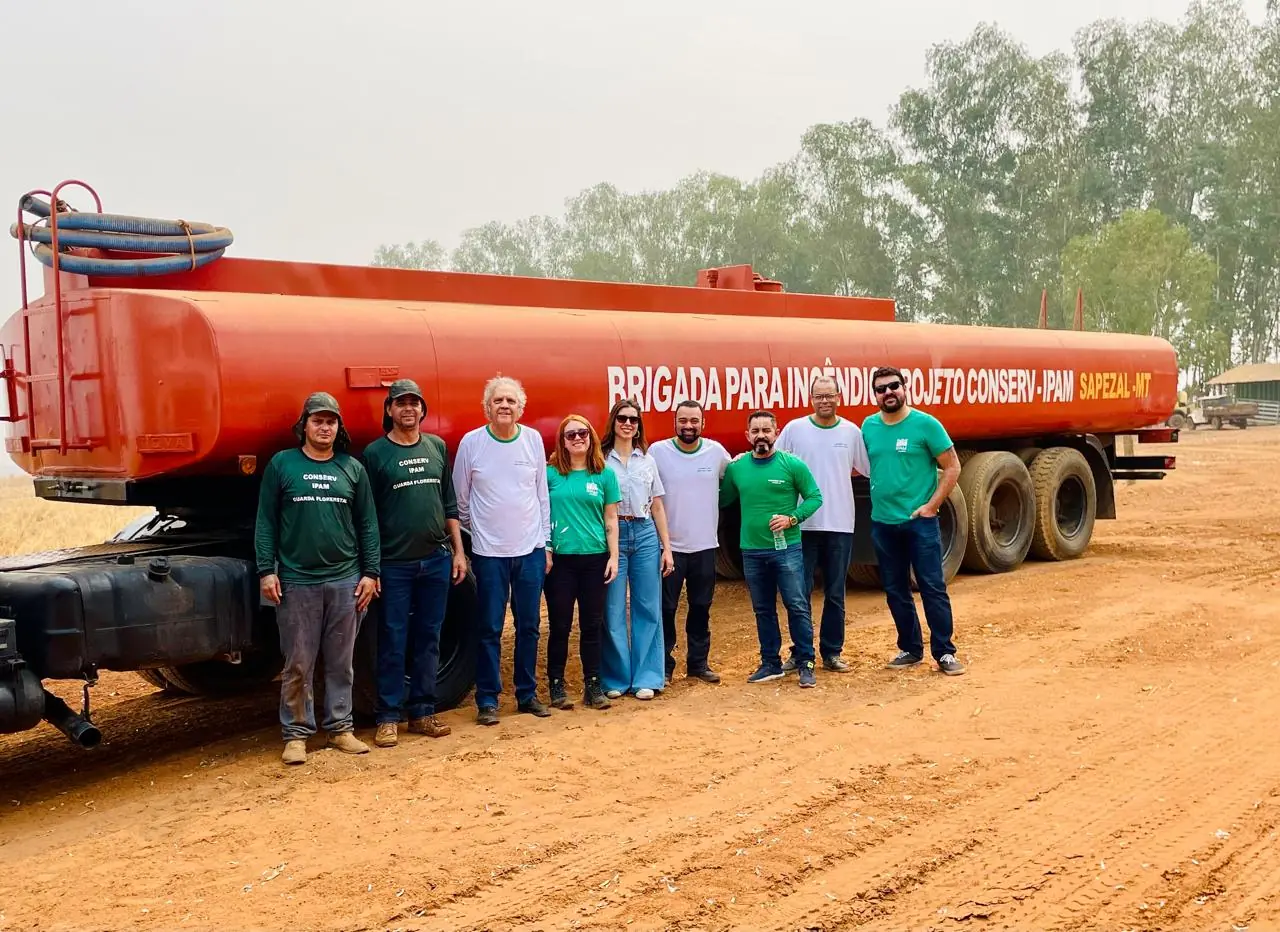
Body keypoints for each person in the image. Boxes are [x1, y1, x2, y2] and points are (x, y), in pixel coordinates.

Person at [254, 391, 380, 765]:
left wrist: (371, 573)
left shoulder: (351, 468)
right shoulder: (283, 465)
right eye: (318, 421)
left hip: (345, 580)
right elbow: (266, 522)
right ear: (304, 426)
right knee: (298, 662)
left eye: (331, 422)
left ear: (338, 428)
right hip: (296, 581)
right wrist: (266, 570)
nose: (324, 427)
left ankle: (341, 728)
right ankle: (296, 735)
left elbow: (368, 525)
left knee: (341, 662)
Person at [361, 379, 469, 749]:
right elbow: (368, 516)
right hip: (395, 565)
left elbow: (450, 506)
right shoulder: (375, 454)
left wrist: (458, 551)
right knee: (392, 641)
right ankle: (389, 716)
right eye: (400, 403)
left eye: (414, 403)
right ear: (389, 410)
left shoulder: (437, 447)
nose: (408, 409)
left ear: (423, 410)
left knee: (429, 638)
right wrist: (372, 568)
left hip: (436, 561)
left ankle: (423, 711)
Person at [452, 375, 553, 725]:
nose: (505, 406)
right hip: (489, 553)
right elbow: (460, 499)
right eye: (498, 401)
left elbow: (542, 495)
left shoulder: (533, 441)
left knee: (529, 626)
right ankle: (488, 700)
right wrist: (480, 532)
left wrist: (545, 543)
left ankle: (527, 694)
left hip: (530, 551)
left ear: (520, 408)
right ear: (487, 407)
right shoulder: (472, 443)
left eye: (511, 401)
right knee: (490, 627)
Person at [861, 366, 965, 676]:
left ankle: (945, 653)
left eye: (893, 386)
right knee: (895, 590)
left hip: (919, 523)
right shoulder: (868, 426)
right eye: (881, 389)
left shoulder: (925, 424)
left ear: (904, 388)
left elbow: (953, 467)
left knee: (932, 587)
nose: (888, 392)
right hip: (882, 523)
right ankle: (910, 648)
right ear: (875, 394)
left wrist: (932, 506)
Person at [719, 410, 823, 687]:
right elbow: (723, 499)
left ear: (776, 433)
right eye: (755, 431)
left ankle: (806, 663)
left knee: (797, 605)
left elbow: (815, 497)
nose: (761, 436)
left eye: (766, 430)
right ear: (747, 436)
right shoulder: (737, 469)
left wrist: (792, 518)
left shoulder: (792, 465)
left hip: (786, 549)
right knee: (763, 609)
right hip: (751, 551)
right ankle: (770, 663)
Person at [776, 375, 871, 674]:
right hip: (800, 526)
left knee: (835, 592)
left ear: (839, 397)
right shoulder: (795, 429)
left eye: (829, 395)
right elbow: (775, 463)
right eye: (819, 396)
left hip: (840, 524)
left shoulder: (851, 432)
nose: (824, 401)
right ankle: (800, 652)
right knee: (798, 592)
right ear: (811, 398)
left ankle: (832, 652)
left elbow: (868, 469)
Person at [649, 399, 730, 685]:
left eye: (694, 421)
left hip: (705, 546)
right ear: (675, 423)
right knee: (666, 608)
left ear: (703, 424)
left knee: (701, 606)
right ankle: (665, 665)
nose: (688, 426)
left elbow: (733, 481)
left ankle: (698, 664)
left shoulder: (716, 452)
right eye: (683, 420)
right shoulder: (657, 452)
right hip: (668, 549)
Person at [599, 398, 674, 701]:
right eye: (622, 418)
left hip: (644, 533)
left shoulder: (648, 460)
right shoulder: (600, 459)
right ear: (613, 423)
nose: (628, 423)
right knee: (613, 607)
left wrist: (666, 548)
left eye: (633, 419)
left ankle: (648, 677)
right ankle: (615, 677)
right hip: (614, 534)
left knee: (647, 607)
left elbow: (657, 505)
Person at [544, 414, 620, 711]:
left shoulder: (604, 474)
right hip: (561, 562)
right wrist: (546, 549)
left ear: (592, 438)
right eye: (571, 434)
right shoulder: (550, 474)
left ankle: (593, 685)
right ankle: (556, 687)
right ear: (562, 441)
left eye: (583, 434)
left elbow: (611, 518)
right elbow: (539, 513)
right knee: (560, 625)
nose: (577, 439)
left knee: (592, 625)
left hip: (595, 559)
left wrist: (613, 556)